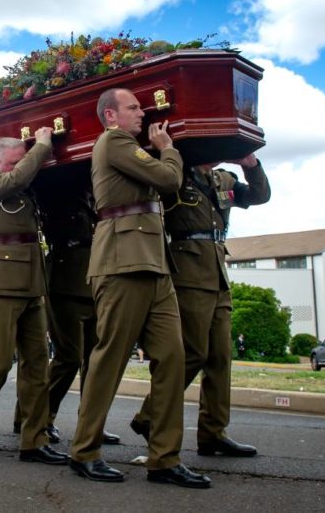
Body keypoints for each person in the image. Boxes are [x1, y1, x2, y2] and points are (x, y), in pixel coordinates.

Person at [67, 88, 210, 488]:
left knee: (173, 357)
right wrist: (168, 148)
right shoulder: (113, 142)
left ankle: (164, 458)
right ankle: (85, 451)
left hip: (154, 263)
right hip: (121, 262)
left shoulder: (131, 148)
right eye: (133, 107)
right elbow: (168, 179)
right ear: (110, 115)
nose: (142, 112)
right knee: (110, 358)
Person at [132, 154, 270, 458]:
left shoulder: (224, 180)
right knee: (192, 353)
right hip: (189, 274)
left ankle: (213, 433)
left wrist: (250, 164)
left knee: (220, 357)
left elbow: (259, 196)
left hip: (218, 273)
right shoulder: (178, 176)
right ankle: (149, 417)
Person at [0, 128, 67, 466]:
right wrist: (43, 145)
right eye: (15, 162)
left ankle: (33, 440)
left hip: (31, 282)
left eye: (23, 161)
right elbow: (16, 179)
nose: (21, 167)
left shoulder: (21, 189)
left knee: (37, 364)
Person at [15, 174, 120, 446]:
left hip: (95, 279)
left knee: (94, 360)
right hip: (65, 279)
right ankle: (39, 417)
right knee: (68, 357)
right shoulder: (58, 188)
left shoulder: (94, 196)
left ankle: (90, 424)